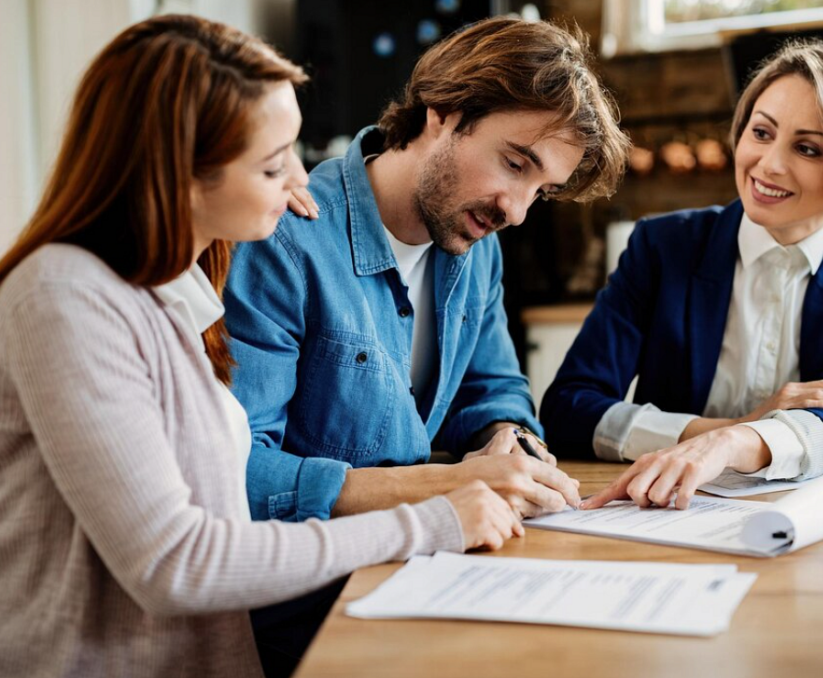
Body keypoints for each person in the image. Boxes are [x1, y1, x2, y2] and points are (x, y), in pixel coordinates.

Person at [0, 15, 523, 678]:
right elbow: (175, 564)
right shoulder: (63, 298)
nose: (301, 180)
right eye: (274, 162)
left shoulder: (171, 291)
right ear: (182, 171)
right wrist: (430, 520)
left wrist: (262, 200)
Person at [224, 17, 629, 525]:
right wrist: (443, 484)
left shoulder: (476, 245)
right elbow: (239, 474)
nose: (517, 212)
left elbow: (492, 389)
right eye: (515, 164)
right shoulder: (284, 240)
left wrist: (509, 437)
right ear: (443, 112)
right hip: (318, 585)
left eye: (541, 192)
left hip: (426, 555)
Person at [541, 40, 823, 511]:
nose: (768, 164)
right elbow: (569, 410)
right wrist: (723, 430)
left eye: (807, 148)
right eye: (761, 133)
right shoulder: (662, 247)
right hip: (659, 509)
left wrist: (732, 445)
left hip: (797, 525)